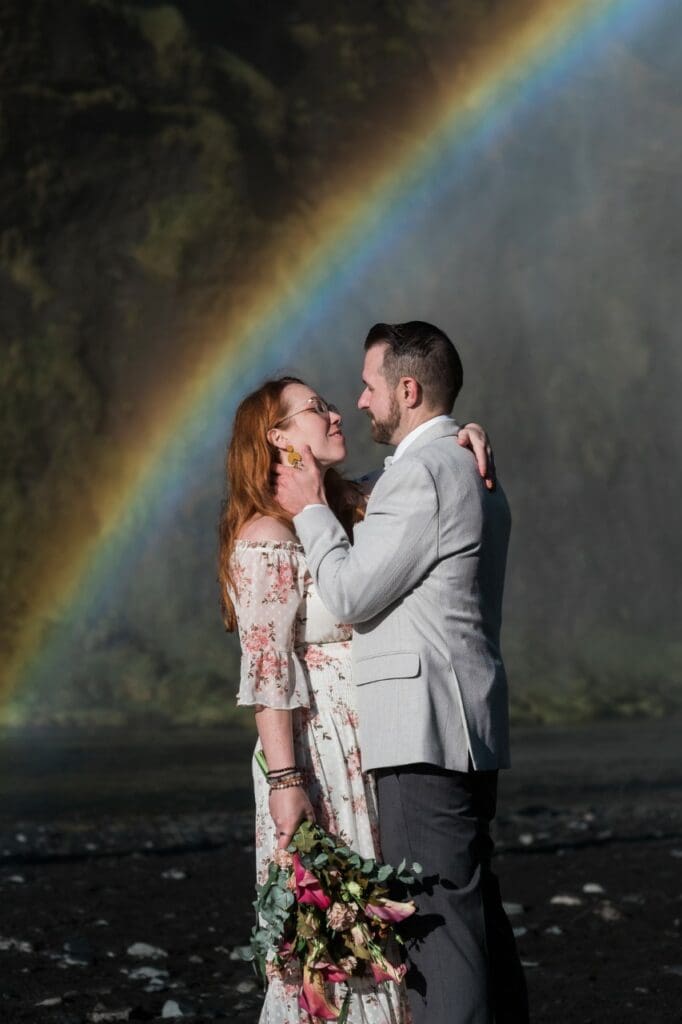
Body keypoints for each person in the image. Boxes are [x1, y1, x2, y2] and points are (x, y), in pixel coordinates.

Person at [274, 323, 529, 1024]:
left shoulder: (422, 472)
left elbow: (354, 594)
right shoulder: (460, 462)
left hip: (424, 733)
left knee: (437, 924)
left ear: (408, 390)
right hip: (463, 726)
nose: (357, 402)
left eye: (369, 386)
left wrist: (311, 510)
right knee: (474, 915)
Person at [218, 374, 493, 1023]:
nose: (338, 413)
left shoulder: (356, 500)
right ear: (278, 438)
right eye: (316, 410)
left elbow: (423, 474)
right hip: (318, 754)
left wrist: (466, 437)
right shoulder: (266, 535)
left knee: (389, 916)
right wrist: (287, 781)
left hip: (374, 740)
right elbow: (268, 671)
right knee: (337, 927)